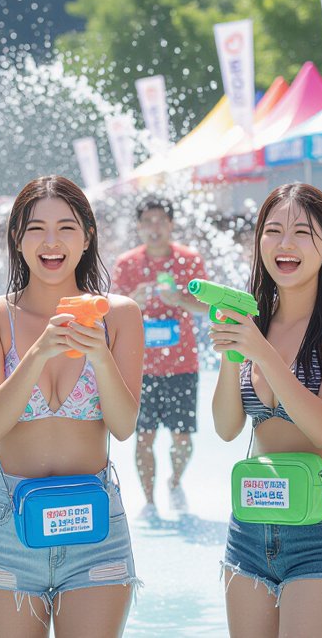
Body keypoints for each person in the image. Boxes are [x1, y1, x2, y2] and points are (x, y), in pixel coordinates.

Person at [0, 175, 144, 636]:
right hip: (9, 523)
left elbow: (124, 426)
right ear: (16, 238)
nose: (51, 242)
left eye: (66, 228)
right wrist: (39, 352)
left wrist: (99, 355)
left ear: (87, 237)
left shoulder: (120, 315)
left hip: (94, 525)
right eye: (36, 229)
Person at [211, 183, 322, 637]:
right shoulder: (254, 318)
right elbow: (226, 428)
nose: (285, 244)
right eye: (273, 231)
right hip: (251, 520)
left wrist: (261, 352)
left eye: (302, 233)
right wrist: (232, 353)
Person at [111, 197, 206, 519]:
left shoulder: (189, 260)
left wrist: (180, 299)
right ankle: (149, 502)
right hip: (140, 367)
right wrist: (131, 302)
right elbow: (111, 313)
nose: (154, 228)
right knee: (144, 437)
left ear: (171, 224)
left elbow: (207, 306)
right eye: (147, 222)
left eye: (160, 221)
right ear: (138, 227)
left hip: (182, 364)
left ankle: (175, 481)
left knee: (183, 438)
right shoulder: (127, 263)